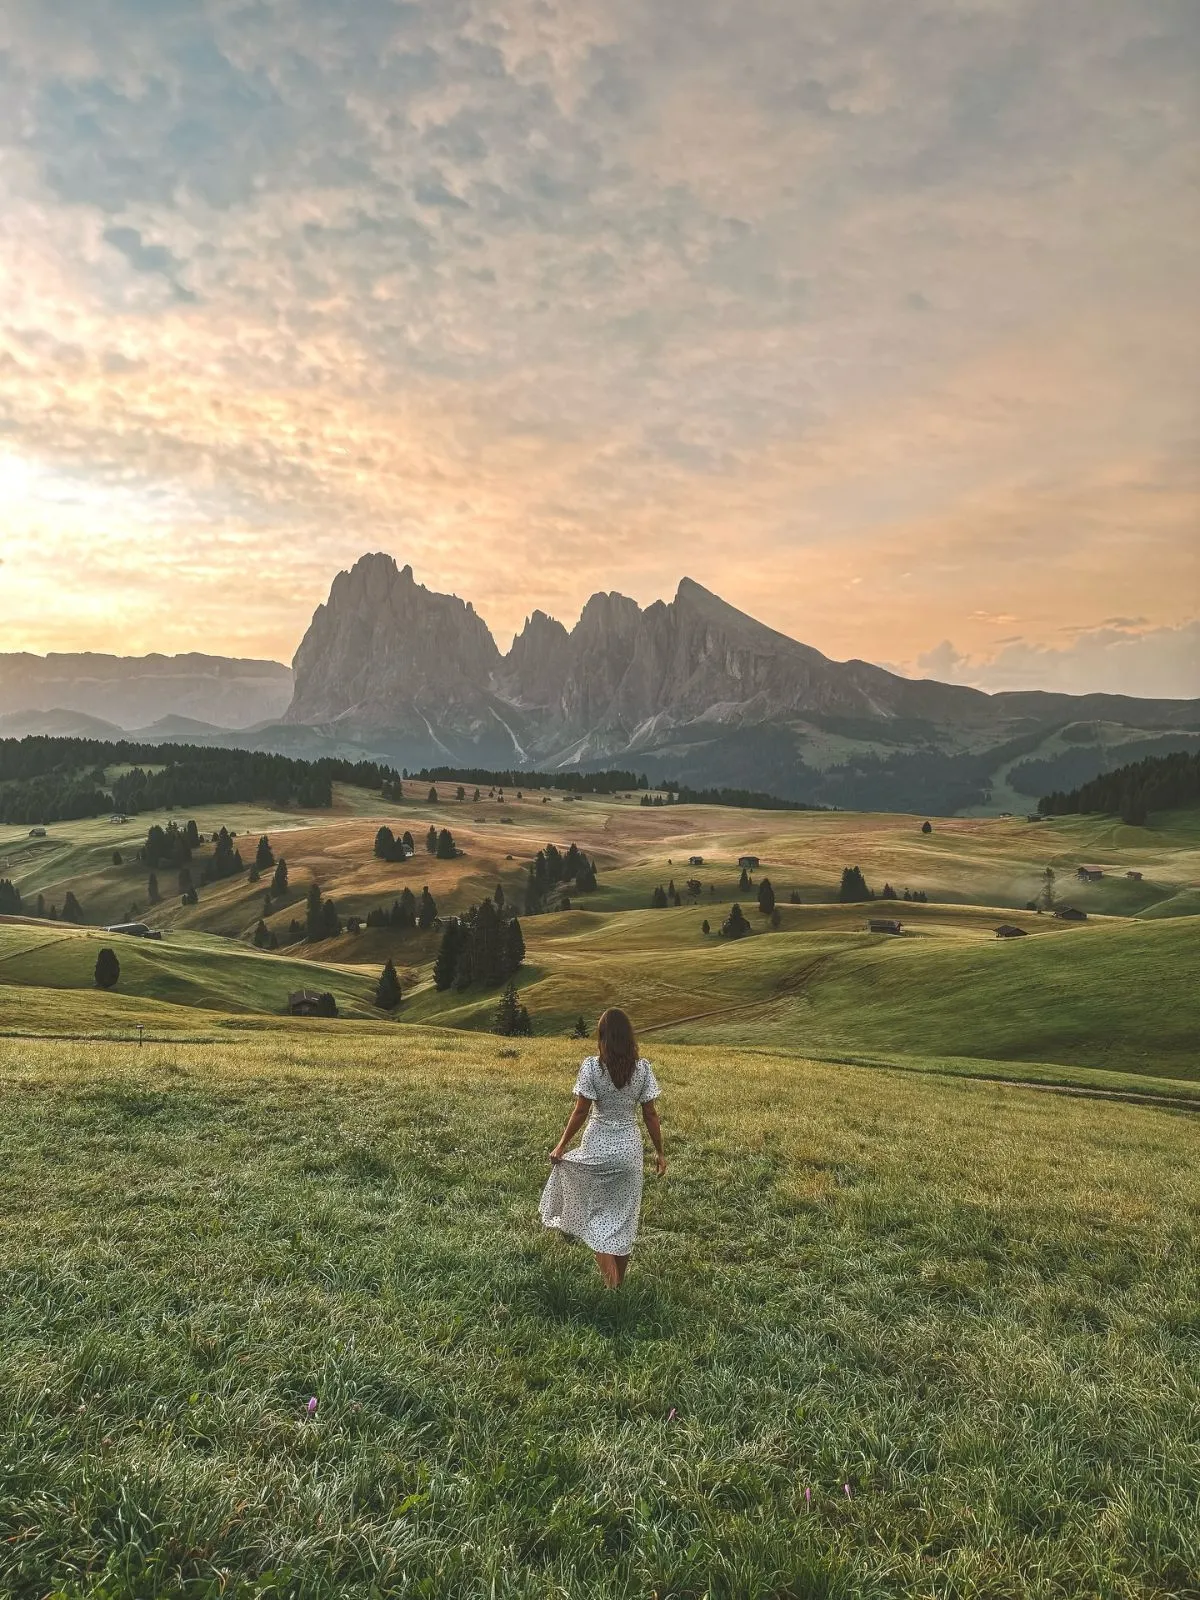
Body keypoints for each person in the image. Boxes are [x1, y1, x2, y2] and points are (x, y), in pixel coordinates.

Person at [539, 1007, 666, 1288]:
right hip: (629, 1152)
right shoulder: (643, 1068)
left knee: (596, 1219)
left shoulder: (592, 1067)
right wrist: (659, 1152)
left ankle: (613, 1289)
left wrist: (561, 1146)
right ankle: (619, 1284)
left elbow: (581, 1112)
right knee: (624, 1219)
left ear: (603, 1037)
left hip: (596, 1147)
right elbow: (650, 1115)